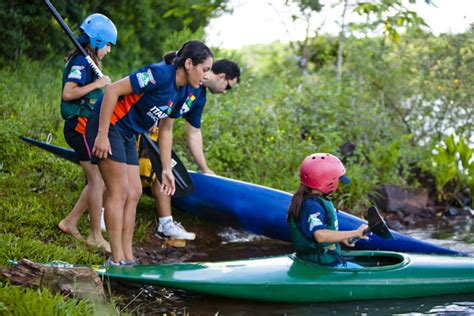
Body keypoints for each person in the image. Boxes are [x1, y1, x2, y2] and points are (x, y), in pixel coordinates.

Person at [86, 40, 214, 266]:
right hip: (110, 125)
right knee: (119, 191)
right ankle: (115, 259)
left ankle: (127, 256)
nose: (206, 76)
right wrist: (102, 134)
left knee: (134, 192)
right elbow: (113, 89)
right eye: (205, 69)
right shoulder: (159, 75)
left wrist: (166, 169)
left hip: (128, 133)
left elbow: (166, 130)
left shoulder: (184, 92)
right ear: (188, 63)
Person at [138, 59, 241, 240]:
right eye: (228, 87)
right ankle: (102, 213)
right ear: (222, 76)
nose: (225, 92)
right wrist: (152, 112)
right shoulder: (183, 73)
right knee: (130, 175)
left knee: (164, 171)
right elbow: (155, 82)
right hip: (139, 124)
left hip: (160, 134)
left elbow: (193, 133)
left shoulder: (200, 97)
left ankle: (165, 224)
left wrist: (205, 168)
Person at [58, 13, 117, 253]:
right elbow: (68, 93)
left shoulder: (87, 60)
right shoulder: (81, 62)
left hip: (85, 126)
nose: (109, 51)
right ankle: (95, 235)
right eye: (108, 45)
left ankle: (69, 222)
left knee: (97, 181)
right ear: (98, 41)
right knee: (98, 181)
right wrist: (98, 84)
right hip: (78, 127)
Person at [287, 153, 369, 268]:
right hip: (321, 264)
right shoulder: (312, 206)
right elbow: (319, 235)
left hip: (325, 260)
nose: (338, 184)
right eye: (337, 180)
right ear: (327, 181)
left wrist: (344, 238)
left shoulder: (312, 201)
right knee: (362, 272)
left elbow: (323, 234)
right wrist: (355, 233)